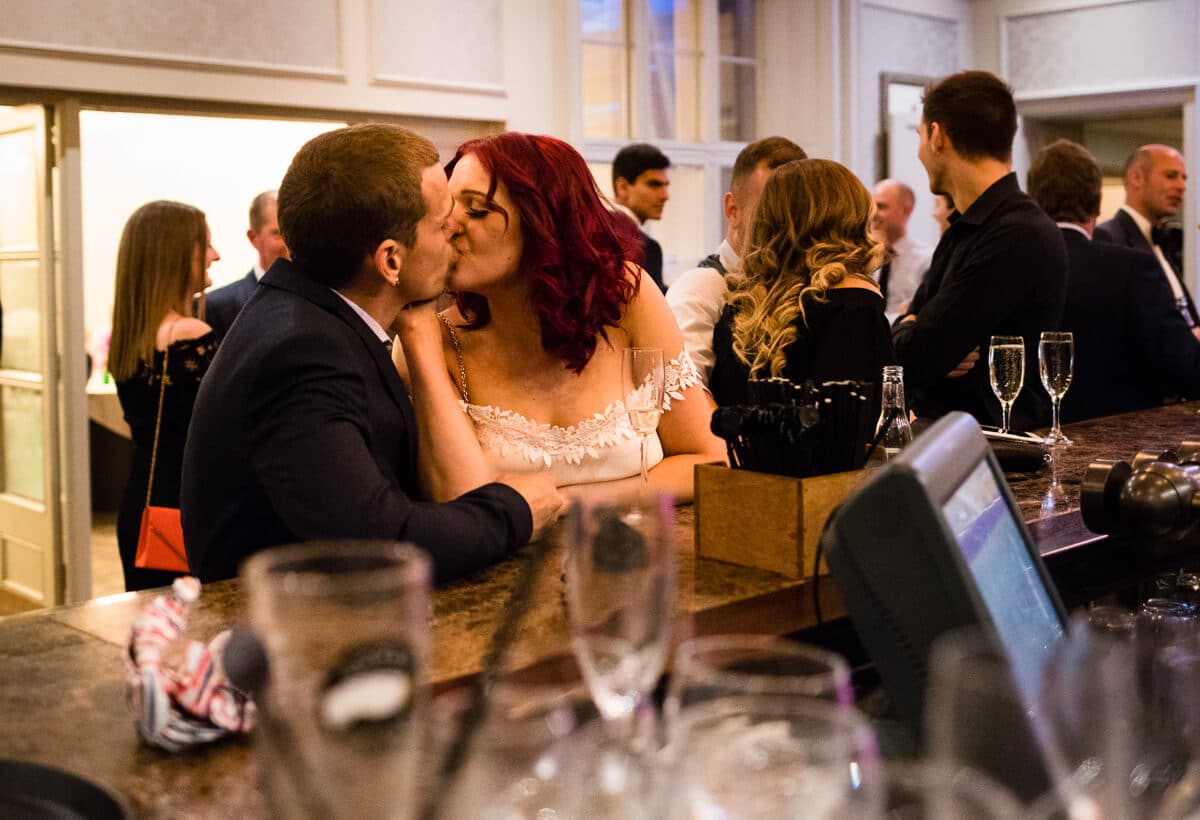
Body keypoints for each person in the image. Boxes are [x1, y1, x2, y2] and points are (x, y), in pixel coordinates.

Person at [182, 124, 563, 584]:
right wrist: (516, 509)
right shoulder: (302, 352)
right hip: (287, 636)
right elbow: (379, 537)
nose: (456, 232)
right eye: (443, 224)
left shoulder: (310, 316)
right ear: (390, 261)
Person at [424, 132, 725, 499]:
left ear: (544, 221)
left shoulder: (626, 299)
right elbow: (449, 504)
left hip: (635, 549)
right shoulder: (432, 340)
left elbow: (708, 458)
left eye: (475, 209)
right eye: (447, 209)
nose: (449, 227)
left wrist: (565, 505)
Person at [894, 71, 1067, 431]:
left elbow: (921, 354)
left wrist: (911, 330)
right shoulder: (965, 227)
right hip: (957, 444)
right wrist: (908, 327)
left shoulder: (1016, 232)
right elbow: (917, 344)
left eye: (920, 136)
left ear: (937, 136)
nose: (921, 151)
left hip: (999, 461)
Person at [1027, 139, 1200, 420]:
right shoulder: (1129, 266)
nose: (1181, 185)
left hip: (1030, 443)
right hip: (1118, 446)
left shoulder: (1011, 265)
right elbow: (1188, 369)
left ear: (1033, 201)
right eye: (1171, 175)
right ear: (1098, 204)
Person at [709, 158, 895, 415]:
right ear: (848, 219)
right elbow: (865, 423)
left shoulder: (742, 305)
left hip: (739, 454)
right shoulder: (854, 303)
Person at [109, 200, 219, 591]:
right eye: (204, 244)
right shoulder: (190, 335)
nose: (215, 255)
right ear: (174, 254)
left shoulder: (129, 336)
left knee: (155, 633)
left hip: (142, 507)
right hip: (185, 509)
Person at [667, 136, 807, 386]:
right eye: (769, 213)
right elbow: (685, 396)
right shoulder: (700, 291)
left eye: (797, 216)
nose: (787, 230)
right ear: (733, 210)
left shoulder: (806, 289)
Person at [1094, 144, 1198, 335]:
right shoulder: (1108, 237)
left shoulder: (1163, 240)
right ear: (1137, 178)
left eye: (1184, 178)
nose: (1181, 186)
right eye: (1170, 176)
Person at [204, 190, 289, 341]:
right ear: (253, 238)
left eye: (293, 232)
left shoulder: (325, 296)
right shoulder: (216, 307)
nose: (289, 244)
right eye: (278, 233)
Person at [870, 179, 933, 319]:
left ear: (906, 211)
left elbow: (916, 315)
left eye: (881, 206)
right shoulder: (861, 258)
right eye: (871, 207)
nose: (873, 214)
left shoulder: (926, 260)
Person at [612, 143, 671, 292]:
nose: (665, 196)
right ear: (623, 187)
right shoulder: (646, 247)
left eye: (666, 186)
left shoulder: (588, 230)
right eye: (654, 185)